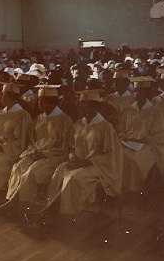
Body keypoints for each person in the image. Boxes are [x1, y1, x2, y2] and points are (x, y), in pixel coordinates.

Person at [29, 89, 123, 225]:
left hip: (97, 166)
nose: (81, 107)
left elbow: (111, 153)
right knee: (59, 171)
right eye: (80, 104)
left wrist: (86, 161)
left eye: (85, 105)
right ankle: (49, 209)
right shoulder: (78, 124)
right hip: (78, 162)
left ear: (95, 107)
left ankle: (57, 215)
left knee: (72, 178)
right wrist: (73, 157)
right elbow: (72, 146)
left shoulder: (105, 126)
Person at [0, 85, 73, 218]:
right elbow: (31, 141)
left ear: (52, 102)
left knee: (30, 173)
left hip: (53, 157)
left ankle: (22, 205)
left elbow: (64, 147)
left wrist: (44, 153)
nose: (39, 103)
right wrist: (31, 152)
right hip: (36, 153)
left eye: (42, 101)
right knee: (18, 167)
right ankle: (13, 203)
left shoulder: (65, 120)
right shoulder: (38, 118)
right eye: (39, 100)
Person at [119, 76, 164, 193]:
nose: (137, 94)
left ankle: (136, 189)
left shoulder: (155, 112)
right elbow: (121, 129)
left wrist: (143, 140)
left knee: (136, 160)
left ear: (147, 93)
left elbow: (159, 134)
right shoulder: (127, 110)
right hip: (127, 144)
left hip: (147, 146)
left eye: (140, 91)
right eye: (135, 91)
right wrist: (122, 136)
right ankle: (122, 189)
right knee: (120, 156)